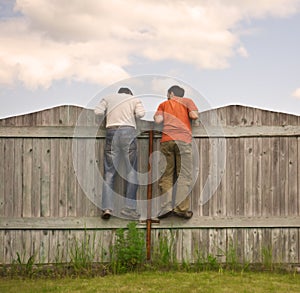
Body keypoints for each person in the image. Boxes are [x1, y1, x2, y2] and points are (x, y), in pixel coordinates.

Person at [95, 87, 145, 220]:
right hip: (128, 132)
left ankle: (107, 208)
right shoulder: (134, 99)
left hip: (111, 132)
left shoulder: (108, 98)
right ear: (129, 93)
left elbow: (98, 112)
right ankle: (129, 208)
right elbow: (141, 114)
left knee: (109, 172)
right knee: (131, 171)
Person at [153, 85, 199, 219]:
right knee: (183, 175)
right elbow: (194, 116)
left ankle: (165, 207)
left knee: (166, 175)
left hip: (167, 141)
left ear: (171, 93)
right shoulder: (187, 102)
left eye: (168, 94)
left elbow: (158, 120)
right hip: (183, 141)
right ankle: (181, 208)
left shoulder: (163, 104)